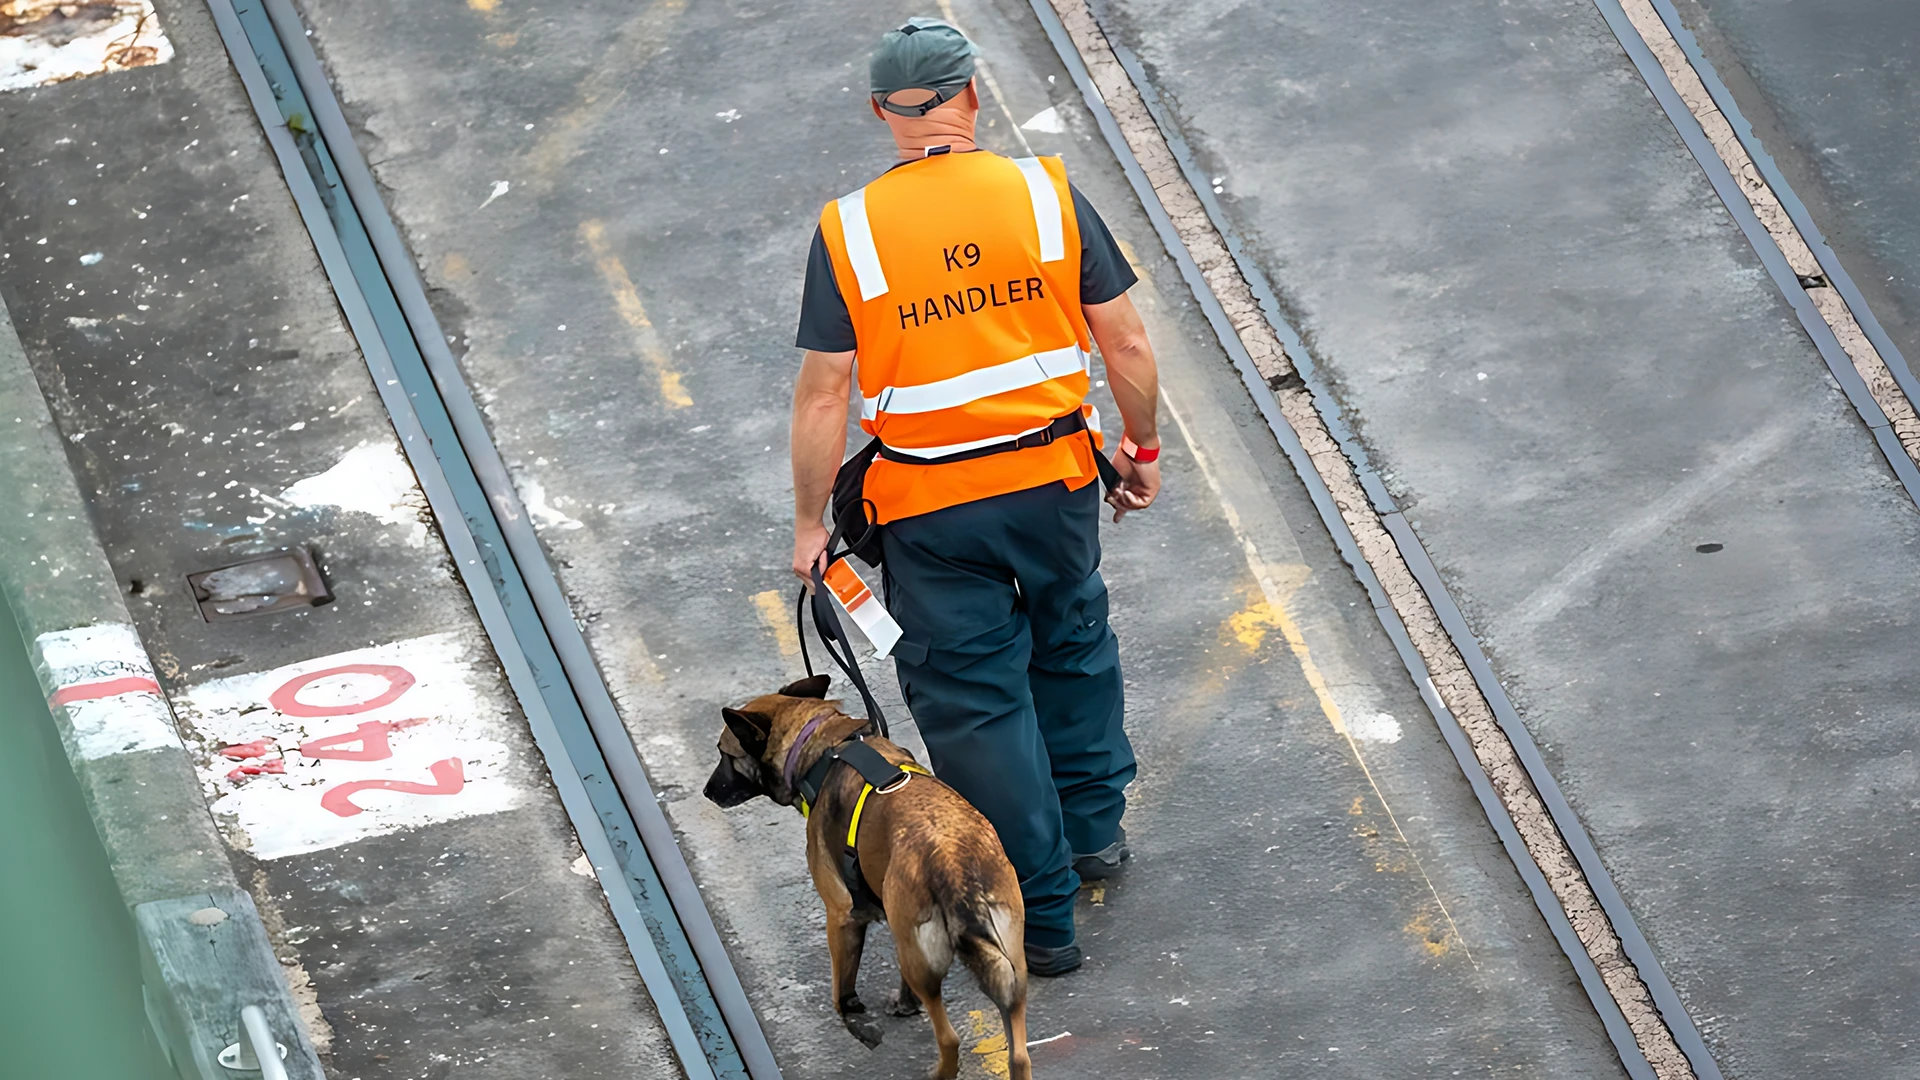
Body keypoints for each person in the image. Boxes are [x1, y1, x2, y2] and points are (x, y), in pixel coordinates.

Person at [789, 16, 1163, 976]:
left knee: (975, 702)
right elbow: (1123, 341)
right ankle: (1094, 834)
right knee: (1072, 638)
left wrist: (807, 524)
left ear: (882, 112)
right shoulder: (1045, 193)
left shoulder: (849, 231)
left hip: (930, 511)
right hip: (1054, 484)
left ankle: (1039, 920)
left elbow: (826, 390)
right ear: (972, 96)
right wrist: (1142, 446)